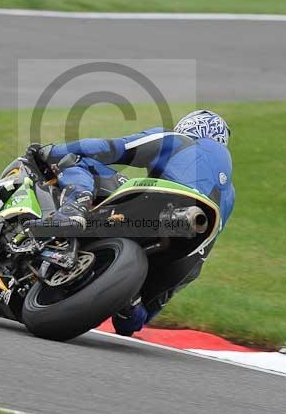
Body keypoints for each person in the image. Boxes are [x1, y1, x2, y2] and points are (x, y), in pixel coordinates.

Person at [28, 109, 235, 337]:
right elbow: (207, 242)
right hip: (189, 253)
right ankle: (132, 305)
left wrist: (51, 151)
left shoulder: (178, 140)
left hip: (160, 203)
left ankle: (73, 209)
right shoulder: (230, 195)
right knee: (131, 323)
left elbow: (112, 148)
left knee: (77, 159)